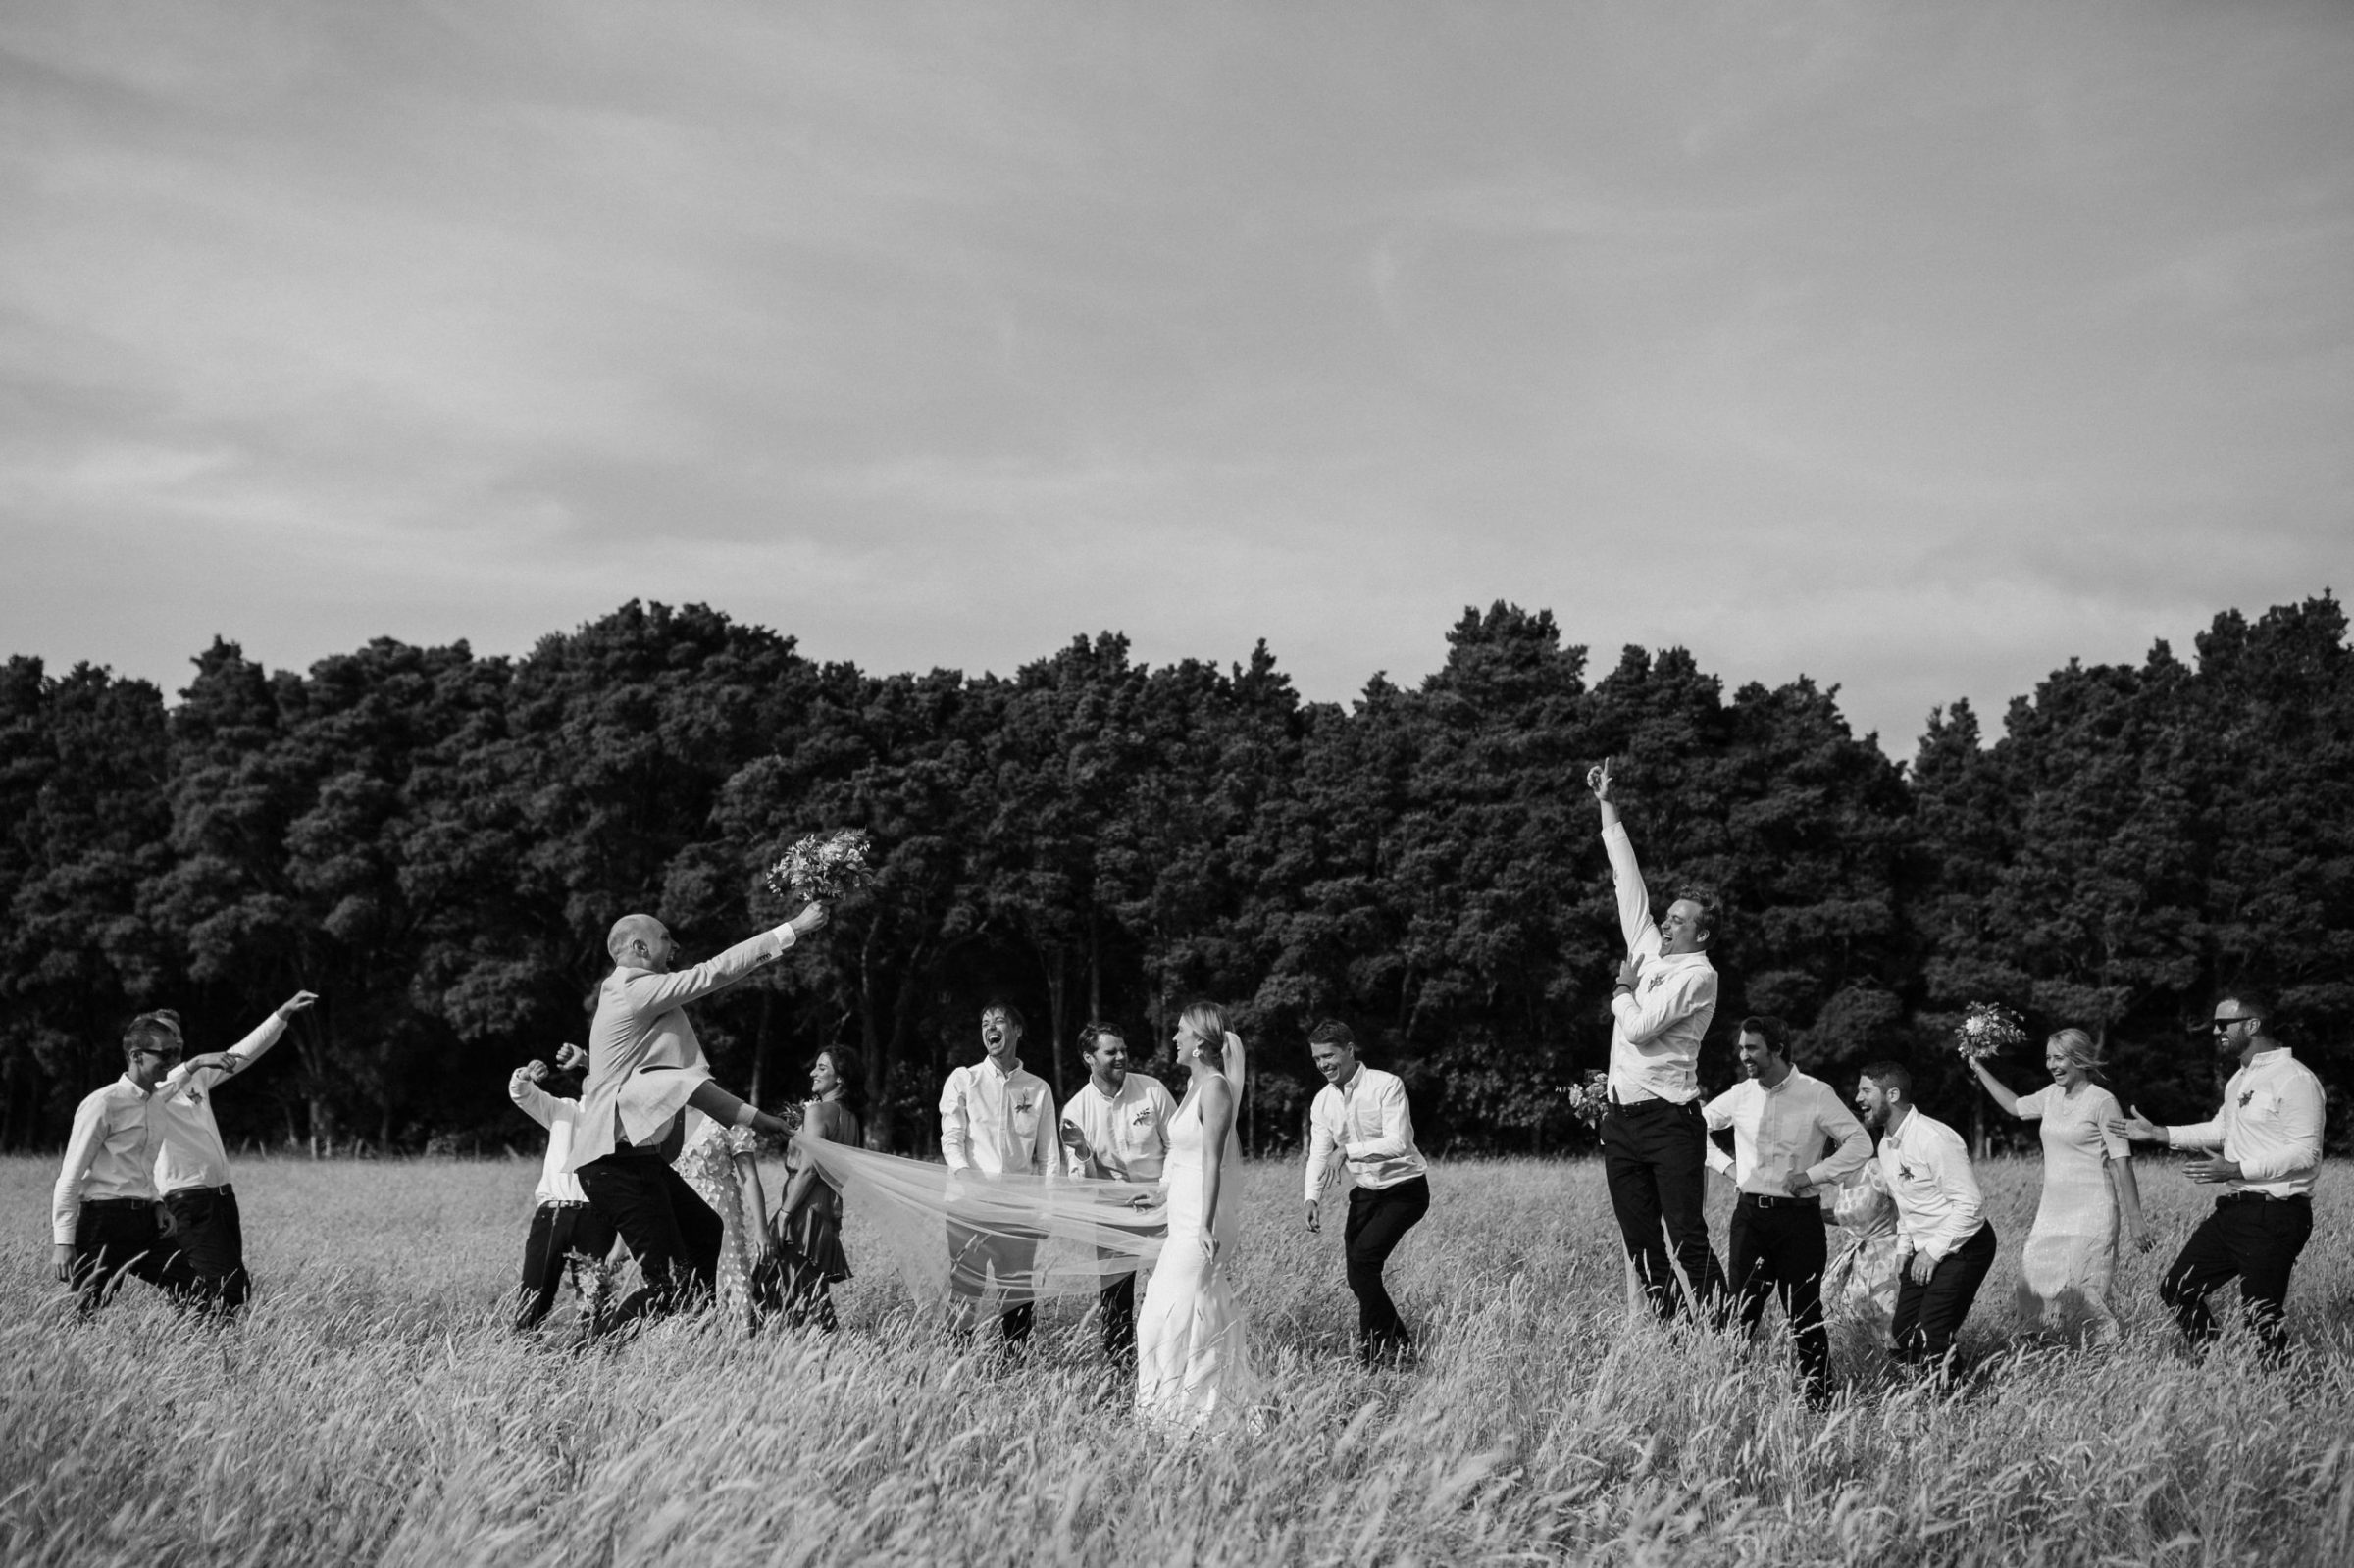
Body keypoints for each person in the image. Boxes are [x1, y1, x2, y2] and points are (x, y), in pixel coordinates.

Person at [567, 906, 825, 1333]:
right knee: (668, 1284)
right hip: (611, 1164)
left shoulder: (651, 1017)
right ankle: (592, 1352)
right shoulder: (631, 989)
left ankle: (686, 1330)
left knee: (706, 1231)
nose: (676, 947)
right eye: (667, 938)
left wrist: (762, 1120)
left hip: (639, 1162)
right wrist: (792, 929)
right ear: (639, 947)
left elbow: (695, 1091)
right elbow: (713, 972)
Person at [1586, 756, 1726, 1321]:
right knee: (1643, 1248)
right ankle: (1672, 1339)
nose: (1667, 924)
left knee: (1687, 1240)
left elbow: (1641, 1028)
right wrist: (1606, 805)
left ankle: (1726, 1336)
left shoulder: (1700, 975)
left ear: (1703, 932)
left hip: (1671, 1121)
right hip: (1621, 1121)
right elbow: (1628, 880)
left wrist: (1621, 989)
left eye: (1680, 920)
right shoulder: (1646, 945)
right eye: (1667, 917)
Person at [2115, 989, 2324, 1364]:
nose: (2215, 1031)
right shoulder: (2239, 1079)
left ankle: (2284, 1398)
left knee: (2261, 1318)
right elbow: (2220, 1130)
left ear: (2253, 1024)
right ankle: (2218, 1367)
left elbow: (2304, 1153)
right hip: (2234, 1212)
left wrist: (2236, 1169)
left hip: (2275, 1214)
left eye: (2223, 1024)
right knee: (2177, 1287)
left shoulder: (2295, 1079)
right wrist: (2161, 1133)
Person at [1701, 1016, 1871, 1403]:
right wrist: (1729, 1167)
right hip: (1750, 1219)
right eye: (1741, 1048)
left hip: (1799, 1221)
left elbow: (1860, 1143)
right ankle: (1731, 1398)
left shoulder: (1816, 1093)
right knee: (1741, 1315)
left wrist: (1814, 1174)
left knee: (1806, 1316)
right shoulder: (1740, 1095)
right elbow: (1692, 1127)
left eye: (1752, 1049)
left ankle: (1819, 1404)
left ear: (1776, 1049)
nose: (1743, 1055)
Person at [142, 990, 320, 1315]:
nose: (176, 1041)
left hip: (221, 1196)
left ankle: (200, 1343)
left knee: (221, 1286)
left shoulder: (195, 1077)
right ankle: (197, 1341)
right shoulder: (142, 1090)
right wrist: (193, 1064)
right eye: (166, 1035)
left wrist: (282, 1014)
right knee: (224, 1286)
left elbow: (243, 1053)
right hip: (186, 1200)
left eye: (178, 1035)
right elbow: (154, 1097)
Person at [1970, 1028, 2152, 1343]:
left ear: (2079, 1059)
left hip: (2092, 1212)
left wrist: (2136, 1219)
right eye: (2048, 1059)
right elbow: (2015, 1106)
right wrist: (1979, 1068)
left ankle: (2105, 1356)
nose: (2052, 1065)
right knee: (2031, 1285)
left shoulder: (2102, 1101)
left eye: (2059, 1058)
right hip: (2051, 1214)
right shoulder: (2050, 1095)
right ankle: (2047, 1352)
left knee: (2085, 1291)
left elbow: (2121, 1162)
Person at [1136, 1001, 1260, 1426]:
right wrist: (1162, 1195)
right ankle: (1169, 1409)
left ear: (1201, 1043)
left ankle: (1195, 1413)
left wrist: (1205, 1225)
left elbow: (1213, 1161)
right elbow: (1181, 1153)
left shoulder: (1216, 1088)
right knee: (1165, 1309)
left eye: (1181, 1033)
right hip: (1183, 1209)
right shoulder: (1193, 1085)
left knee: (1179, 1308)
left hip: (1201, 1219)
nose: (1174, 1038)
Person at [1855, 1061, 1996, 1385]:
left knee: (1932, 1330)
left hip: (1965, 1244)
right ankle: (1929, 1385)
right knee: (1904, 1331)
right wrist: (1906, 1248)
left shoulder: (1934, 1138)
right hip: (1922, 1248)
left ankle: (1954, 1402)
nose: (1857, 1098)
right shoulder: (1886, 1146)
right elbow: (1906, 1205)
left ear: (1892, 1094)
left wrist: (1931, 1252)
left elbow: (1971, 1206)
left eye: (1865, 1091)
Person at [1303, 1020, 1431, 1367]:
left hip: (1406, 1190)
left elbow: (1398, 1142)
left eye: (1329, 1055)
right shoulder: (1321, 1102)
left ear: (1349, 1050)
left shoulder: (1386, 1085)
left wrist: (1348, 1151)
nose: (1323, 1064)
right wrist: (1311, 1197)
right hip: (1366, 1193)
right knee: (1359, 1275)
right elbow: (1319, 1152)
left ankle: (1386, 1353)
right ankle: (1382, 1355)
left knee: (1363, 1263)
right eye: (1316, 1059)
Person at [1056, 1022, 1174, 1369]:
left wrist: (1163, 1193)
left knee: (1172, 1288)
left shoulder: (1152, 1090)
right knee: (1115, 1301)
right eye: (1112, 1052)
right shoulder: (1076, 1110)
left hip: (1165, 1206)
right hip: (1113, 1215)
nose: (1121, 1056)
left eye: (1123, 1049)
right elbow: (1082, 1184)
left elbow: (1180, 1147)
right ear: (1089, 1058)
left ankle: (1172, 1363)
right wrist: (1082, 1153)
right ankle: (1122, 1371)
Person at [940, 1002, 1056, 1348]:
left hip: (1018, 1210)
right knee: (966, 1288)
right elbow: (952, 1136)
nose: (991, 1028)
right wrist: (965, 1175)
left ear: (1017, 1031)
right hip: (968, 1206)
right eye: (985, 1022)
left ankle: (1013, 1367)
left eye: (1000, 1021)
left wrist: (1046, 1210)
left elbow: (1049, 1155)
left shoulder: (1038, 1089)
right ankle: (955, 1363)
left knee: (1018, 1291)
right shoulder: (964, 1079)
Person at [52, 1014, 184, 1313]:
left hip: (146, 1222)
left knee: (194, 1285)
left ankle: (175, 1353)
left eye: (175, 1053)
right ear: (136, 1056)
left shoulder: (158, 1104)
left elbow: (143, 1167)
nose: (173, 1061)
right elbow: (70, 1176)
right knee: (87, 1309)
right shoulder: (103, 1103)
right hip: (103, 1223)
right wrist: (63, 1242)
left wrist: (158, 1202)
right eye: (165, 1054)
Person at [507, 1043, 620, 1332]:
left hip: (597, 1217)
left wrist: (586, 1061)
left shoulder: (619, 1119)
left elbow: (618, 1078)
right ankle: (523, 1358)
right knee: (533, 1296)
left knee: (595, 1305)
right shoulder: (563, 1109)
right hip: (553, 1214)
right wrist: (527, 1072)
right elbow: (521, 1093)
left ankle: (593, 1363)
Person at [775, 1044, 865, 1331]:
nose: (813, 1072)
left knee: (788, 1293)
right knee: (807, 1292)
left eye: (822, 1067)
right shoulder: (851, 1120)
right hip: (827, 1212)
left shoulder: (819, 1112)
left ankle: (830, 1353)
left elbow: (810, 1168)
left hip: (804, 1211)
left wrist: (784, 1213)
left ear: (840, 1078)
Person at [676, 1104, 775, 1331]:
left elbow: (749, 1177)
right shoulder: (663, 1115)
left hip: (720, 1213)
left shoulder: (726, 1114)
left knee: (727, 1278)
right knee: (682, 1281)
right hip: (678, 1215)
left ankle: (732, 1345)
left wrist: (761, 1228)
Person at [1818, 1161, 1903, 1351]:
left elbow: (1908, 1204)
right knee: (1852, 1321)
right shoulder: (1845, 1175)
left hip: (1887, 1258)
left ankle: (1900, 1373)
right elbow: (1854, 1215)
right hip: (1859, 1257)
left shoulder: (1876, 1168)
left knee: (1885, 1324)